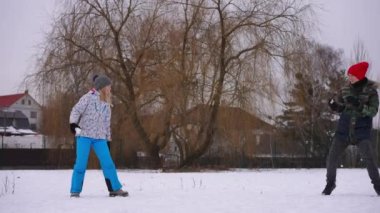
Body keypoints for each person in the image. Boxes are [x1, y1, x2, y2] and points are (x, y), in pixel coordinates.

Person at [323, 61, 380, 196]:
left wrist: (359, 105)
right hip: (343, 130)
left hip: (361, 131)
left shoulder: (371, 92)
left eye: (352, 75)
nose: (349, 78)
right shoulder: (345, 90)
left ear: (359, 76)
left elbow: (373, 111)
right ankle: (330, 184)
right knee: (332, 158)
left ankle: (378, 186)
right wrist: (335, 106)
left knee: (369, 160)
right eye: (348, 75)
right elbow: (342, 107)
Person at [69, 74, 128, 198]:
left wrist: (108, 139)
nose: (110, 89)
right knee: (80, 164)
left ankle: (115, 189)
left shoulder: (107, 103)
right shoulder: (87, 98)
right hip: (84, 135)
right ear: (102, 87)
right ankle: (75, 191)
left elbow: (107, 124)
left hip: (100, 138)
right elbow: (76, 110)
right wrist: (73, 125)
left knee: (108, 163)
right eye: (108, 86)